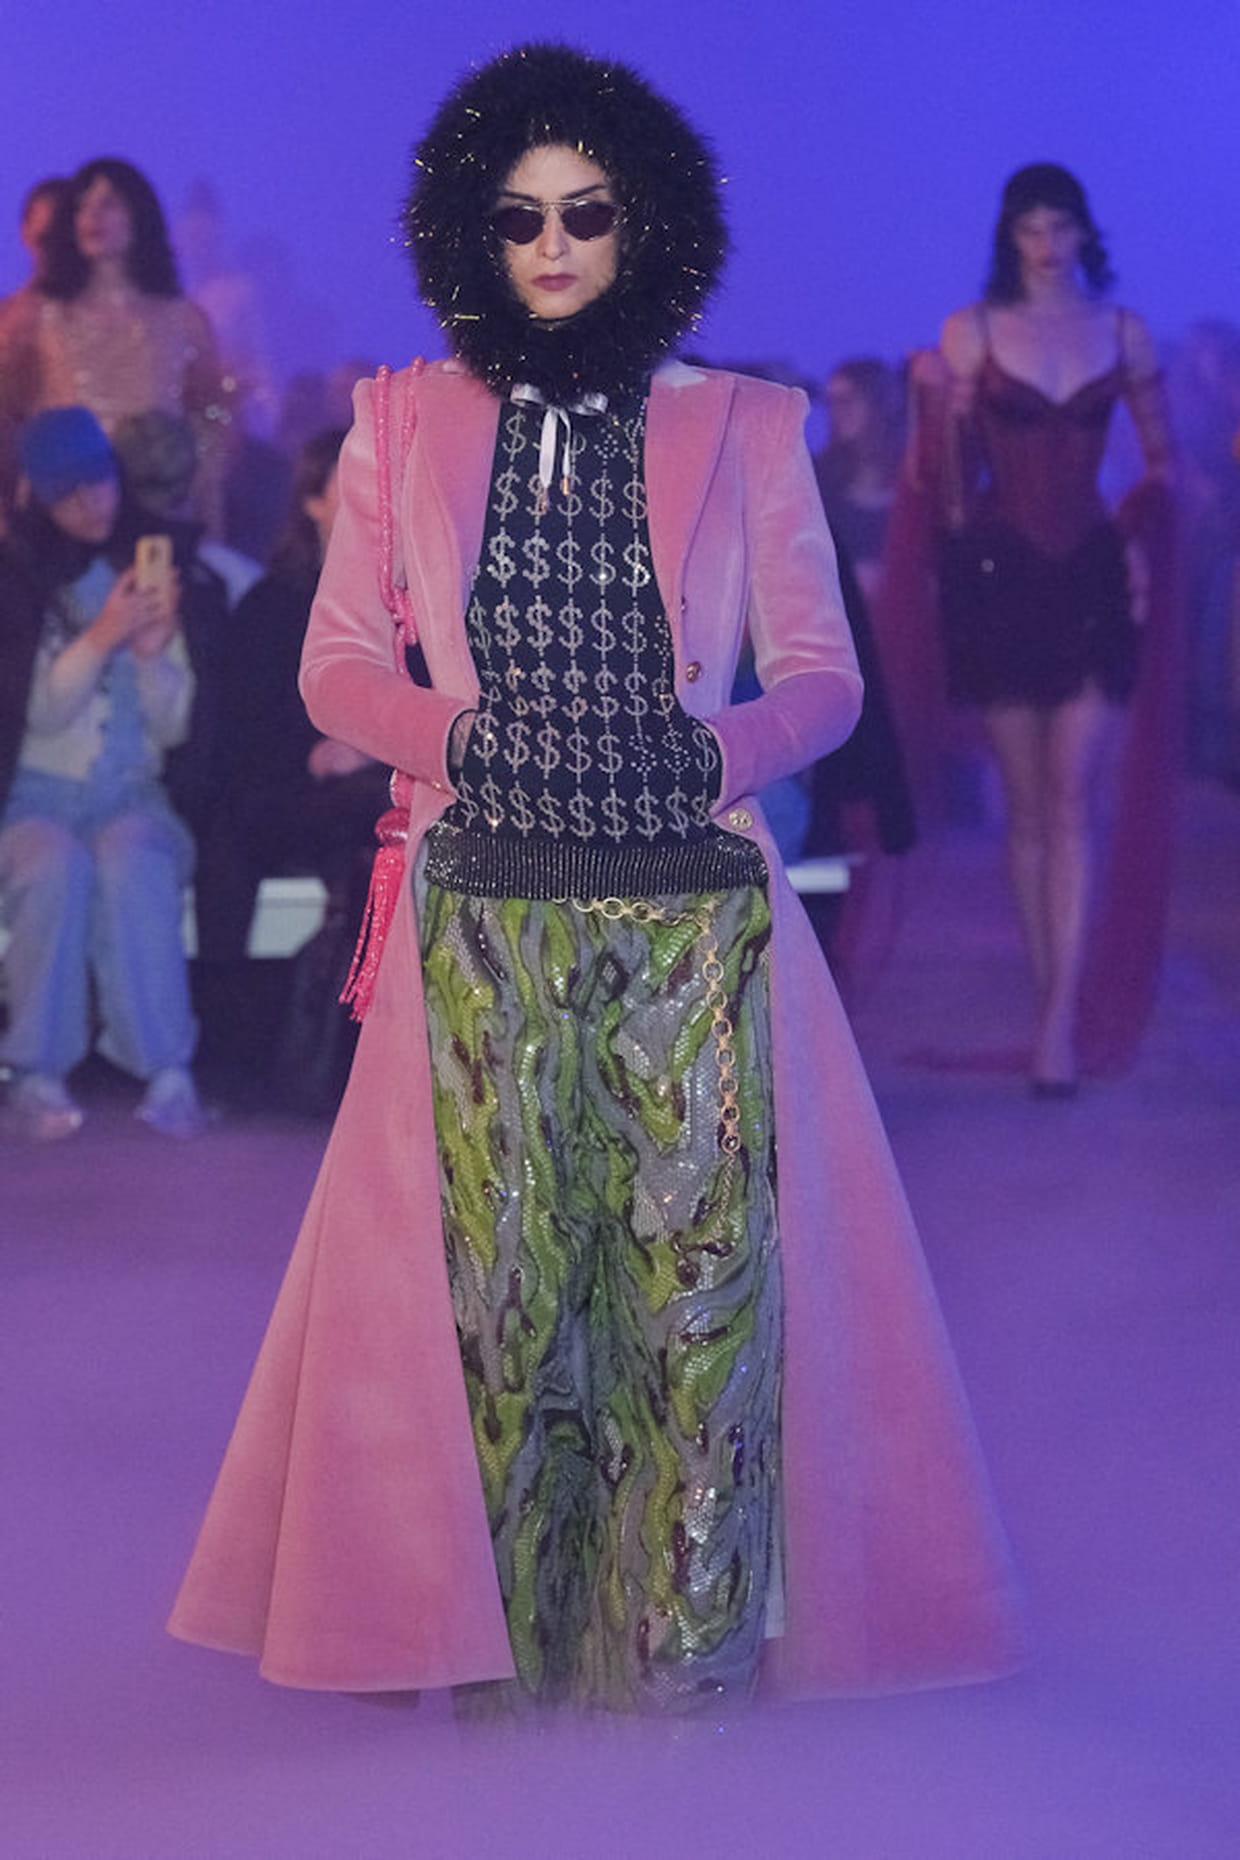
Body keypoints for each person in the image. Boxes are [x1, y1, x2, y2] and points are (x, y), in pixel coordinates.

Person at [169, 43, 1021, 1714]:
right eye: (518, 217)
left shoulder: (748, 423)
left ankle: (681, 1664)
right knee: (494, 1301)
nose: (551, 244)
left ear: (648, 223)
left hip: (695, 908)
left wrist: (711, 754)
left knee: (694, 1290)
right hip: (478, 902)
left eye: (585, 212)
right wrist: (463, 739)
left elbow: (826, 678)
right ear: (470, 234)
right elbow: (336, 666)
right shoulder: (397, 420)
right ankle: (507, 1663)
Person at [917, 163, 1175, 1093]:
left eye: (1060, 224)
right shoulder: (973, 330)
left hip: (1092, 576)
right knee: (1028, 810)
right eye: (1030, 226)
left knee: (1071, 800)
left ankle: (1058, 1024)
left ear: (1082, 232)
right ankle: (1047, 1002)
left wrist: (1139, 539)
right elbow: (947, 479)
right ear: (1010, 235)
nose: (1047, 243)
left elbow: (1161, 464)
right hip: (1000, 579)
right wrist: (937, 408)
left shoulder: (1124, 331)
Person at [0, 408, 204, 1139]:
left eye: (101, 482)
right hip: (33, 798)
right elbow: (39, 713)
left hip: (129, 792)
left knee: (133, 858)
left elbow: (174, 727)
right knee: (52, 865)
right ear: (39, 497)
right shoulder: (17, 580)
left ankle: (167, 1069)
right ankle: (36, 1071)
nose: (94, 504)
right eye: (71, 493)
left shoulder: (140, 566)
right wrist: (102, 636)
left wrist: (150, 655)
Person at [0, 158, 228, 532]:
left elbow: (208, 418)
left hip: (157, 507)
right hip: (63, 510)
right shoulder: (35, 316)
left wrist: (201, 497)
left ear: (139, 215)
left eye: (108, 203)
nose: (93, 216)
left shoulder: (183, 320)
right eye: (82, 206)